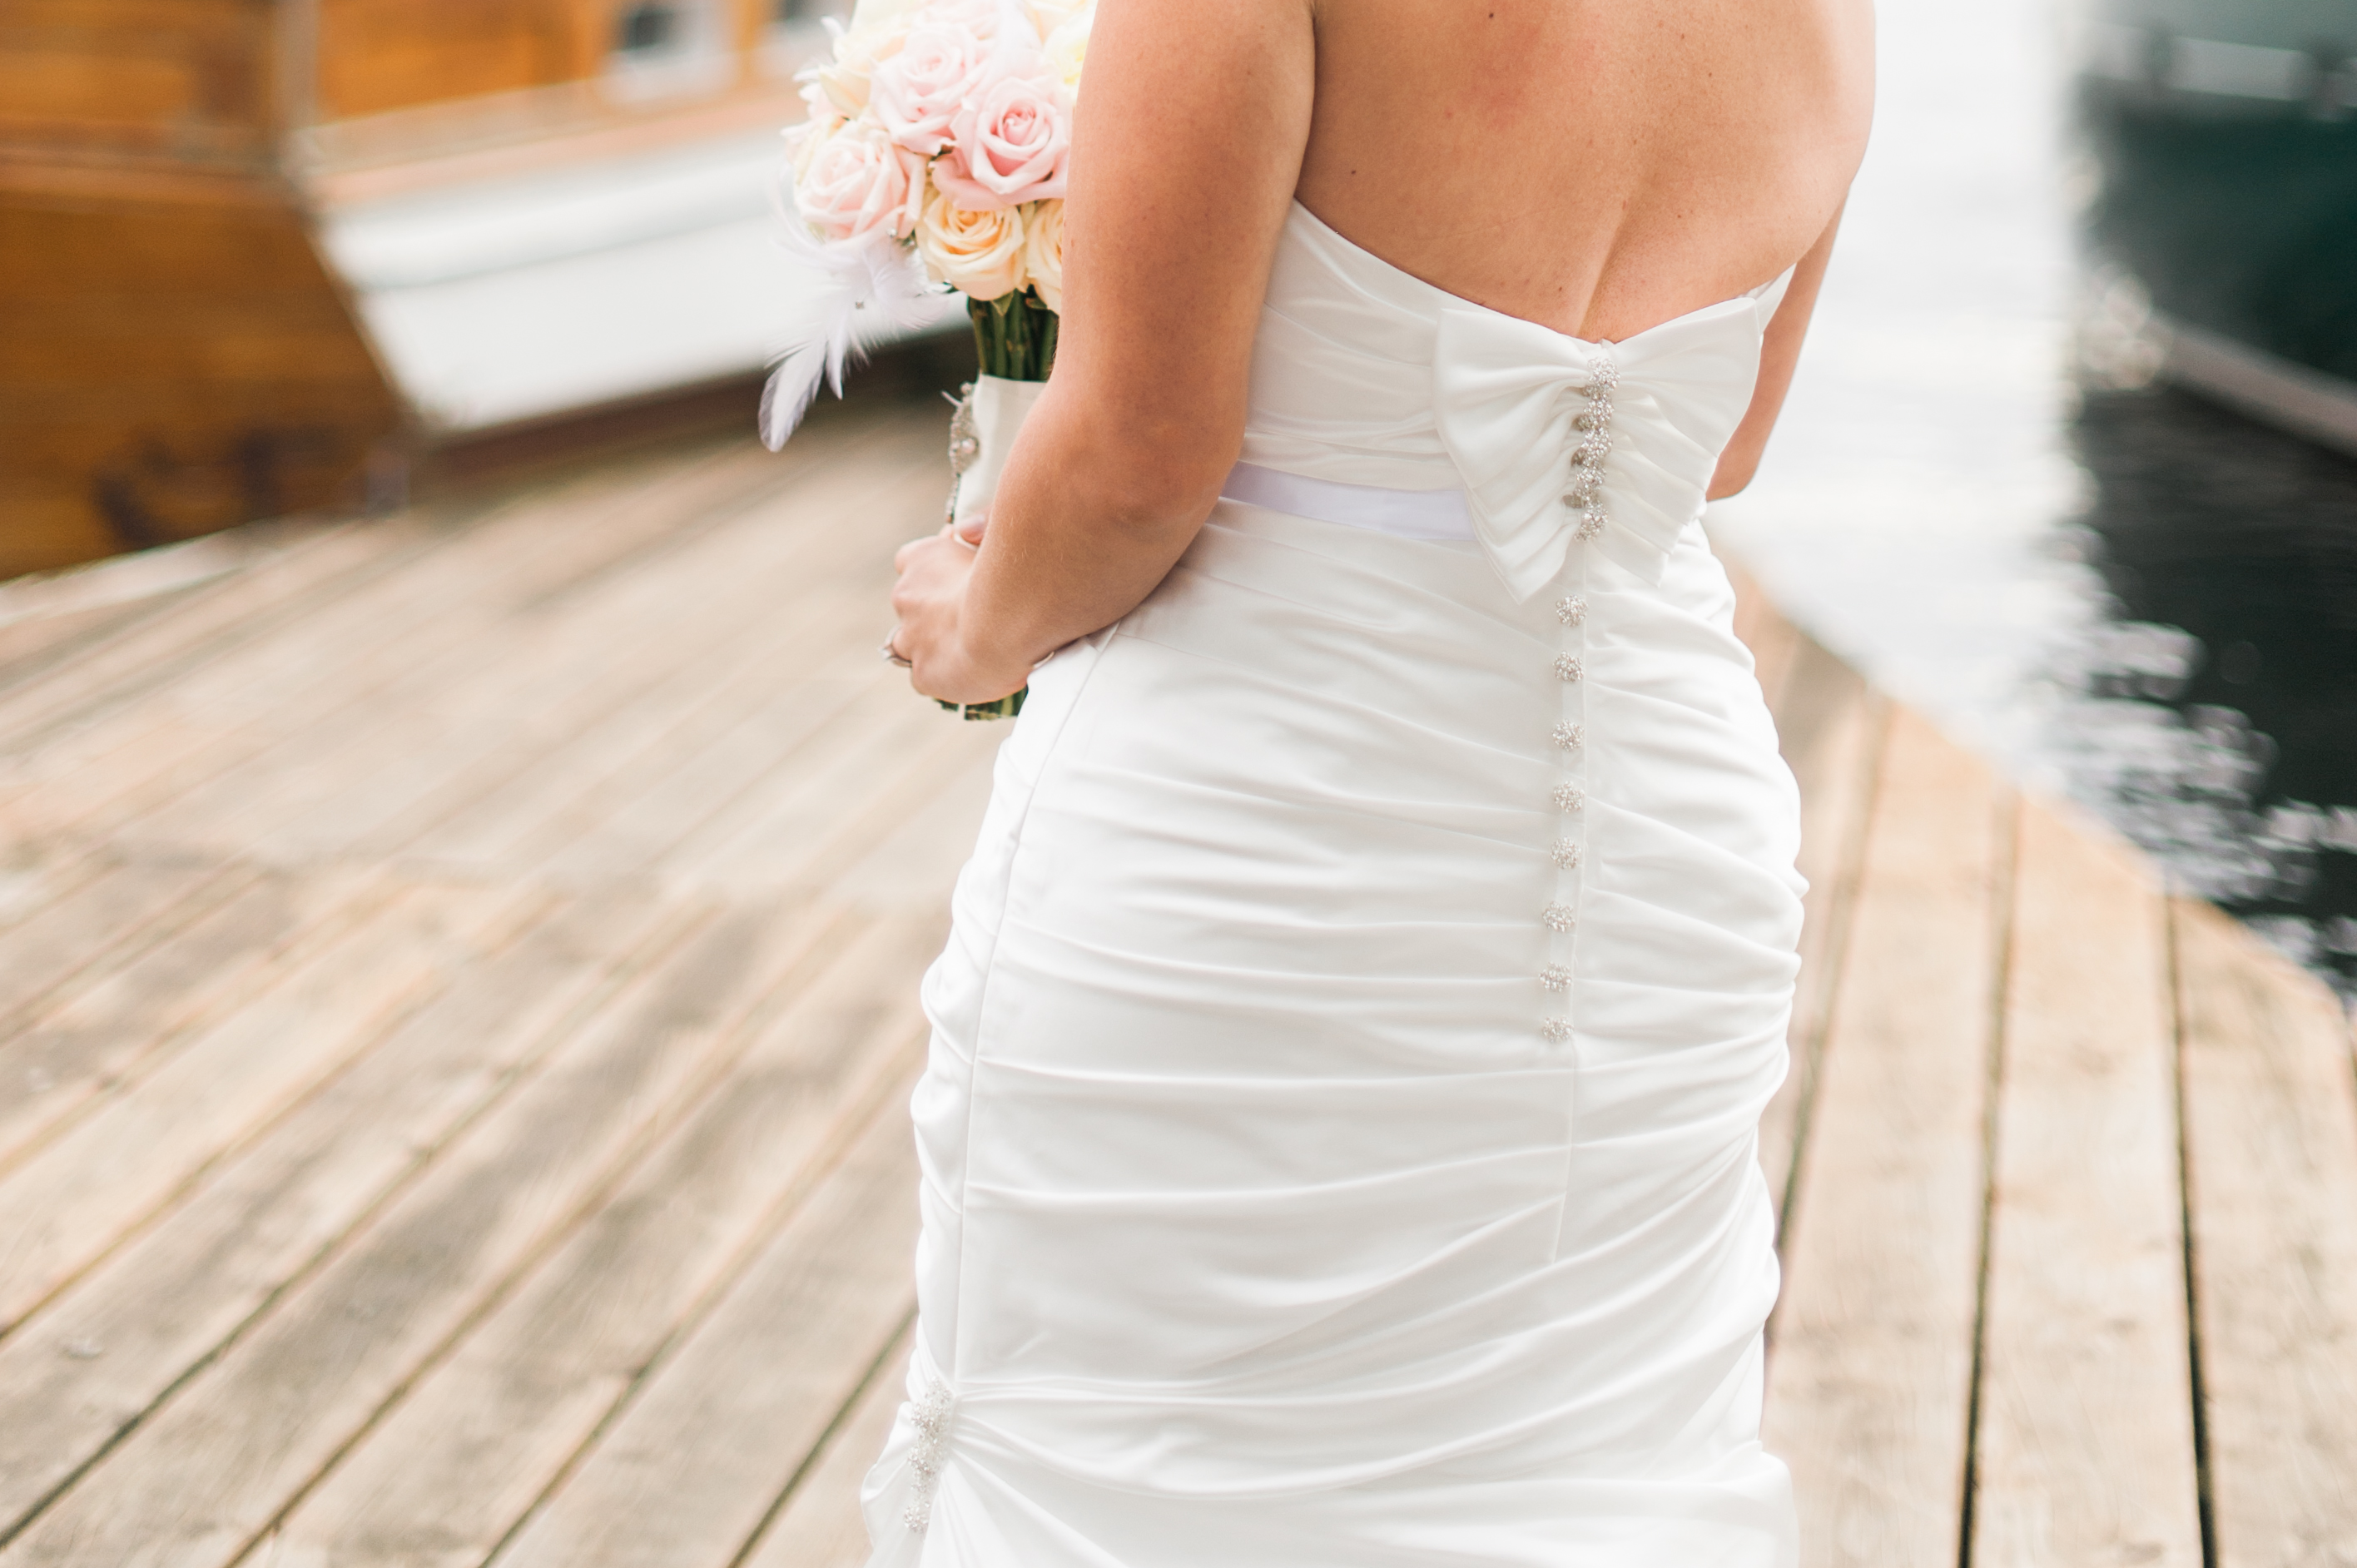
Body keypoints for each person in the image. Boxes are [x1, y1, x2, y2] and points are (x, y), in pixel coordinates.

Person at [876, 0, 1873, 1560]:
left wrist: (971, 623)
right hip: (1661, 862)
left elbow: (1142, 453)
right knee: (1595, 1455)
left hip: (1265, 841)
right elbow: (1723, 444)